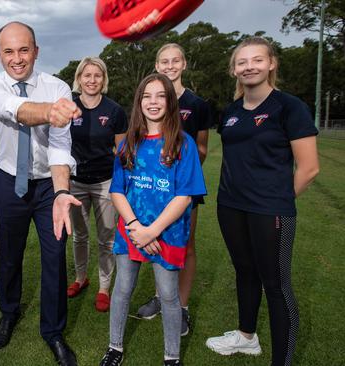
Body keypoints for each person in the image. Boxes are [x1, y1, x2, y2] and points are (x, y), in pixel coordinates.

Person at [205, 37, 319, 366]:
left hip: (270, 211)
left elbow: (309, 168)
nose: (249, 67)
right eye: (242, 62)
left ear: (271, 64)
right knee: (245, 272)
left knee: (277, 284)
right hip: (230, 206)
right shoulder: (231, 112)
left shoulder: (289, 106)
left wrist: (276, 200)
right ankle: (246, 338)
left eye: (257, 60)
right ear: (234, 70)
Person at [0, 21, 82, 366]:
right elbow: (16, 110)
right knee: (9, 255)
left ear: (36, 51)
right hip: (9, 183)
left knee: (54, 258)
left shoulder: (57, 87)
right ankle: (8, 313)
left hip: (49, 186)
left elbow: (59, 145)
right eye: (9, 51)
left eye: (24, 50)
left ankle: (53, 332)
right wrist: (50, 112)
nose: (17, 59)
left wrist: (62, 193)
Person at [99, 73, 206, 366]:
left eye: (160, 95)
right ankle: (115, 347)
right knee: (122, 290)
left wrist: (152, 232)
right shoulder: (127, 144)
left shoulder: (183, 144)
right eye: (147, 96)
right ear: (139, 102)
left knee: (169, 295)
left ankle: (171, 357)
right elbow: (118, 191)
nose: (153, 102)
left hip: (166, 234)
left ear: (170, 101)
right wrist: (136, 228)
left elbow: (184, 196)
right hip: (131, 231)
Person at [134, 43, 214, 336]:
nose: (169, 66)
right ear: (157, 65)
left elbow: (202, 147)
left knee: (186, 245)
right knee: (157, 241)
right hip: (153, 189)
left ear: (184, 64)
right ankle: (160, 297)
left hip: (182, 188)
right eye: (164, 61)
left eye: (175, 61)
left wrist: (179, 169)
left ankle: (181, 306)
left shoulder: (197, 103)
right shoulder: (151, 100)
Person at [67, 57, 127, 313]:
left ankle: (104, 287)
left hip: (105, 183)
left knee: (106, 238)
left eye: (97, 76)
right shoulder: (69, 107)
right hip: (75, 183)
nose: (92, 80)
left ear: (104, 79)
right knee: (79, 236)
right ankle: (81, 278)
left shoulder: (114, 110)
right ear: (79, 78)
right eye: (87, 75)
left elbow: (122, 151)